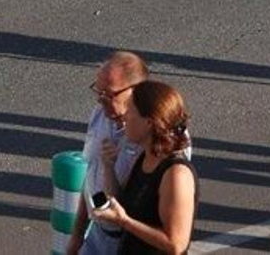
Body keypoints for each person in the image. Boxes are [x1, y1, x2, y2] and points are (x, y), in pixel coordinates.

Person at [89, 81, 197, 255]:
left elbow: (176, 244)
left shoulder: (176, 174)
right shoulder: (145, 157)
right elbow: (120, 203)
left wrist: (124, 221)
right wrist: (108, 167)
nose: (124, 116)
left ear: (148, 122)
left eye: (130, 111)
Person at [66, 51, 155, 255]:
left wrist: (109, 168)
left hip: (132, 243)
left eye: (109, 94)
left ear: (136, 91)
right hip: (97, 235)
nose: (100, 100)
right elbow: (90, 176)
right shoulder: (100, 116)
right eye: (98, 92)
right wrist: (77, 235)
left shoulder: (155, 136)